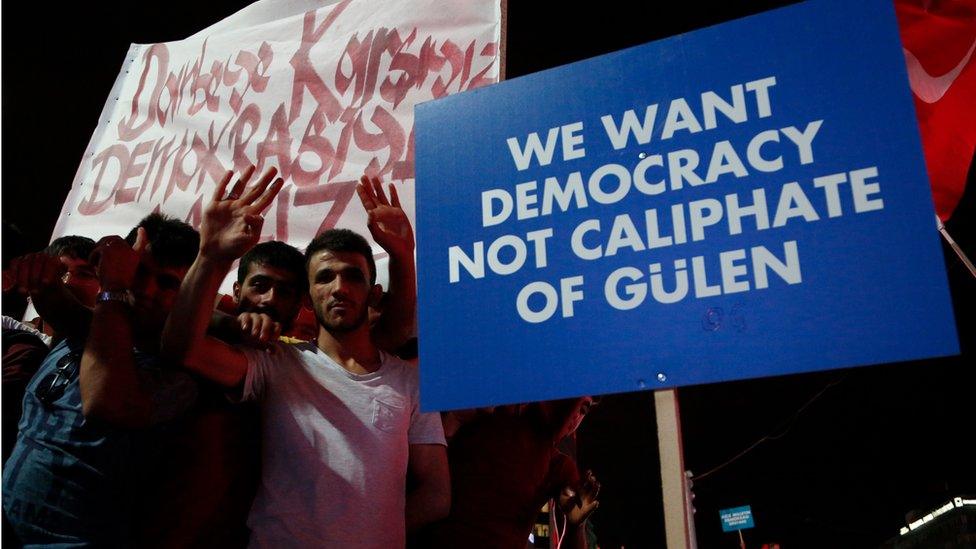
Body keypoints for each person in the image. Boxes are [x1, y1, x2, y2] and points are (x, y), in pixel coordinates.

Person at [162, 166, 448, 548]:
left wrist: (373, 536)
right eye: (324, 277)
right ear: (307, 299)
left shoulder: (409, 382)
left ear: (372, 290)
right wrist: (211, 256)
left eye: (353, 276)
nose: (339, 287)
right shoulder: (278, 362)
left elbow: (436, 493)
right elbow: (183, 349)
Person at [2, 214, 201, 547]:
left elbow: (107, 404)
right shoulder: (85, 329)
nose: (145, 289)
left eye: (167, 283)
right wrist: (41, 275)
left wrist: (114, 287)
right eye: (137, 272)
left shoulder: (179, 376)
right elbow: (63, 306)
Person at [424, 398, 600, 549]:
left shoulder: (559, 466)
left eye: (584, 410)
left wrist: (576, 525)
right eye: (574, 401)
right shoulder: (482, 415)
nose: (575, 415)